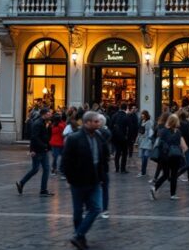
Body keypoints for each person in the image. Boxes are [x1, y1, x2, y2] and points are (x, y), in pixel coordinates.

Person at [61, 110, 109, 250]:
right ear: (87, 123)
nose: (98, 123)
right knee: (77, 211)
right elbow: (66, 161)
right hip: (78, 180)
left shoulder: (99, 136)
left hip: (94, 179)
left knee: (96, 208)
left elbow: (103, 156)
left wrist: (102, 174)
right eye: (95, 121)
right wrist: (70, 178)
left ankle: (78, 234)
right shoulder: (74, 138)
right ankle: (80, 238)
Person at [16, 108, 53, 196]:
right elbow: (34, 137)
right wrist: (32, 150)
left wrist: (47, 146)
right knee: (35, 169)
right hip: (38, 150)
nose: (50, 115)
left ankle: (43, 190)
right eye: (49, 113)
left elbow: (45, 136)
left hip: (43, 150)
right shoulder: (38, 123)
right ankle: (22, 183)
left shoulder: (44, 123)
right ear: (44, 114)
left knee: (46, 169)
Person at [150, 113, 187, 200]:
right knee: (174, 175)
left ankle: (154, 188)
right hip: (175, 156)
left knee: (165, 174)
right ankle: (173, 194)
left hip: (164, 156)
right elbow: (184, 147)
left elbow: (159, 143)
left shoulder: (163, 131)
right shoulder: (178, 132)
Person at [111, 103, 130, 174]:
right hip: (124, 138)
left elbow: (111, 126)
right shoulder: (126, 116)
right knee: (124, 153)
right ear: (126, 108)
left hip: (116, 137)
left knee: (117, 153)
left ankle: (117, 168)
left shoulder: (114, 116)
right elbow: (129, 128)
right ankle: (123, 168)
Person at [136, 110, 154, 177]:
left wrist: (149, 139)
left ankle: (143, 171)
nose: (142, 115)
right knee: (143, 157)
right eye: (141, 114)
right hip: (142, 141)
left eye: (143, 114)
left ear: (146, 115)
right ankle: (143, 171)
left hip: (147, 141)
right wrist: (137, 140)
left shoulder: (149, 122)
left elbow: (150, 132)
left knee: (145, 157)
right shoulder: (142, 121)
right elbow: (140, 131)